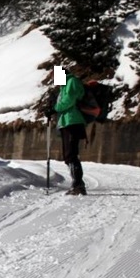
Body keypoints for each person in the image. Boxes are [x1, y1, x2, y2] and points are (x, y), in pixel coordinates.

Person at [53, 63, 88, 195]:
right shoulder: (64, 86)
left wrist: (55, 108)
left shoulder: (72, 82)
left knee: (71, 155)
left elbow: (69, 100)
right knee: (68, 156)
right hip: (66, 122)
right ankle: (77, 183)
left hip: (73, 122)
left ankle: (78, 185)